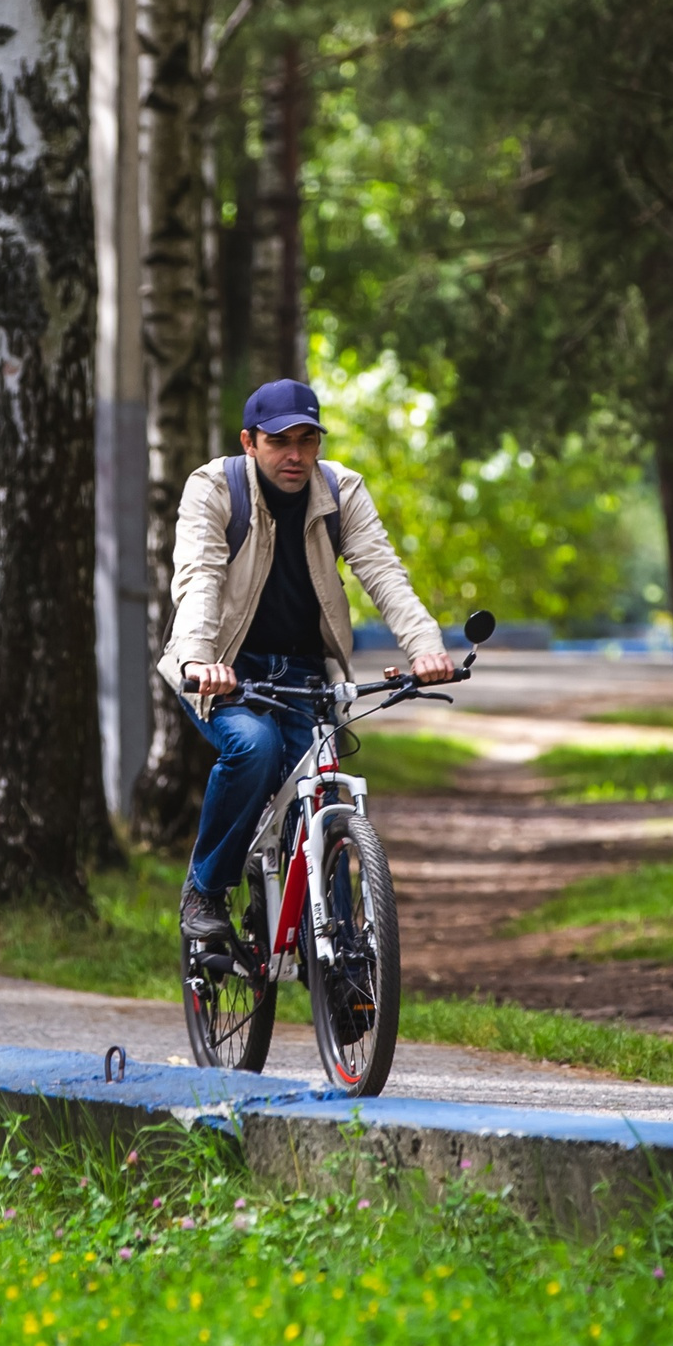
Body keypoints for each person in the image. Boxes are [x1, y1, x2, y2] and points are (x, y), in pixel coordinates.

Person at [162, 378, 460, 944]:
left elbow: (382, 571)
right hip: (225, 666)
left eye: (307, 439)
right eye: (279, 441)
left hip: (306, 675)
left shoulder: (341, 490)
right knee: (255, 747)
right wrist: (200, 660)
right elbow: (198, 578)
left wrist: (424, 646)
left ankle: (344, 963)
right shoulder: (215, 488)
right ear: (250, 442)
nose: (294, 454)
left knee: (323, 791)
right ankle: (207, 885)